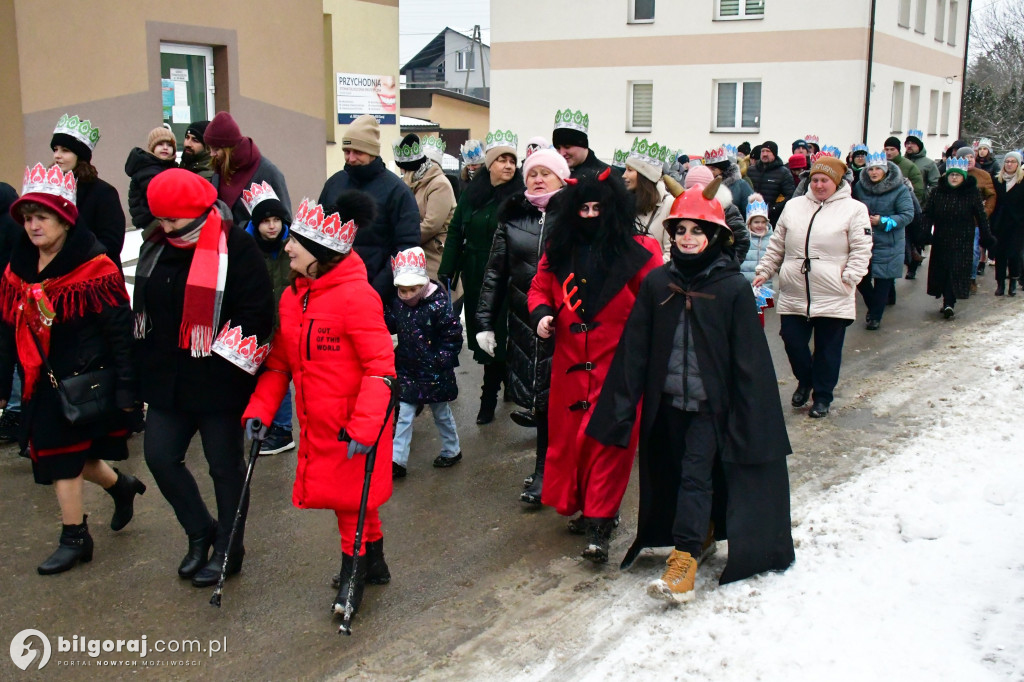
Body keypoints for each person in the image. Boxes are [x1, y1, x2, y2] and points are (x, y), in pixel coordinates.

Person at [586, 177, 794, 603]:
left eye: (698, 230)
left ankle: (683, 561)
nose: (687, 237)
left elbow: (749, 361)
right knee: (674, 474)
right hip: (666, 406)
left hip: (709, 409)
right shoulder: (658, 284)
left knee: (695, 477)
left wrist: (749, 417)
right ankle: (703, 533)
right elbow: (634, 351)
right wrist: (619, 411)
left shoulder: (731, 287)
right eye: (680, 229)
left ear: (716, 235)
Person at [242, 192, 395, 621]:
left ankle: (354, 573)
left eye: (297, 243)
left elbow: (381, 368)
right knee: (353, 499)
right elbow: (279, 364)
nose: (287, 246)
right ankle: (376, 561)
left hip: (353, 423)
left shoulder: (357, 298)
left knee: (350, 502)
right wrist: (261, 409)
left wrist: (366, 427)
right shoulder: (292, 298)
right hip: (317, 422)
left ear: (322, 255)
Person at [0, 163, 141, 574]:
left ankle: (75, 537)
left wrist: (129, 391)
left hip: (79, 378)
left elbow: (120, 332)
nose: (33, 226)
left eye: (42, 217)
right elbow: (7, 328)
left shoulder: (95, 266)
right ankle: (122, 486)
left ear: (64, 218)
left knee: (60, 457)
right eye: (27, 218)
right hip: (36, 378)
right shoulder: (17, 267)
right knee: (62, 454)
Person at [135, 169, 274, 587]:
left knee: (224, 469)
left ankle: (230, 547)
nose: (165, 227)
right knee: (159, 458)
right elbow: (144, 314)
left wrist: (223, 367)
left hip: (218, 382)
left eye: (173, 220)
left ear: (196, 212)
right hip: (167, 383)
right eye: (160, 219)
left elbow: (257, 316)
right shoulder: (157, 245)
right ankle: (200, 532)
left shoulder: (237, 246)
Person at [527, 168, 662, 563]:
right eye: (582, 208)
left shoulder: (641, 249)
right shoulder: (559, 248)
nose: (589, 215)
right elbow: (539, 287)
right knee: (572, 444)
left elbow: (654, 299)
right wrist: (541, 314)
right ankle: (586, 504)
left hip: (618, 365)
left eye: (596, 207)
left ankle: (601, 522)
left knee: (610, 443)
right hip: (569, 366)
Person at [477, 148, 569, 504]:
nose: (538, 179)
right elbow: (495, 272)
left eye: (547, 173)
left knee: (563, 400)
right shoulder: (513, 216)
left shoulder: (577, 215)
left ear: (562, 177)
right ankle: (544, 471)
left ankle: (560, 472)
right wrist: (484, 322)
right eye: (532, 173)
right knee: (540, 400)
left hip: (564, 322)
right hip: (523, 322)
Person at [753, 156, 873, 418]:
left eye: (825, 180)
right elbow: (777, 244)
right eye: (815, 179)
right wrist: (765, 270)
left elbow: (862, 249)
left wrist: (851, 276)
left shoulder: (854, 209)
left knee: (828, 351)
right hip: (795, 289)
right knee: (792, 341)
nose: (819, 185)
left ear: (837, 182)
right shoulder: (795, 206)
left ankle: (822, 396)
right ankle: (805, 380)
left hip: (833, 290)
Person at [438, 131, 524, 425]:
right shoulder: (473, 195)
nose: (509, 165)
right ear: (489, 164)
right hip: (475, 272)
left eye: (512, 160)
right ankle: (503, 380)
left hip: (507, 274)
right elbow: (455, 231)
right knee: (481, 331)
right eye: (502, 159)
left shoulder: (520, 197)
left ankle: (489, 396)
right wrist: (447, 268)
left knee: (499, 331)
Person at [317, 115, 420, 300]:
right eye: (346, 151)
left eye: (358, 152)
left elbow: (406, 245)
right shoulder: (334, 184)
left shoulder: (397, 191)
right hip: (333, 288)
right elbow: (318, 233)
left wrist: (376, 290)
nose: (351, 158)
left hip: (376, 292)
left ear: (372, 152)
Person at [385, 246, 463, 478]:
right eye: (402, 290)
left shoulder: (438, 307)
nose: (407, 295)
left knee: (441, 412)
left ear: (422, 285)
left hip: (434, 372)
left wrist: (441, 361)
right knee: (405, 416)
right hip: (409, 370)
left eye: (412, 290)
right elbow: (393, 322)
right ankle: (397, 460)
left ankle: (452, 449)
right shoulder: (399, 305)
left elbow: (452, 337)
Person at [242, 182, 295, 455]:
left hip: (288, 324)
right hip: (259, 323)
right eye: (265, 221)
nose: (272, 226)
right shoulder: (245, 247)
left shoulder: (292, 246)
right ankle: (263, 422)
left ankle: (283, 429)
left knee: (280, 375)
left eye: (276, 220)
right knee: (262, 377)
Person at [50, 114, 126, 268]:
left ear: (80, 156)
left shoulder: (104, 193)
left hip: (94, 275)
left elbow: (111, 244)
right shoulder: (48, 188)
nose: (57, 155)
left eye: (65, 150)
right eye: (55, 149)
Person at [923, 158, 994, 317]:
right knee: (942, 270)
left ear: (963, 177)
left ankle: (950, 302)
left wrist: (986, 236)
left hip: (963, 238)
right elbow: (928, 214)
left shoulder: (971, 193)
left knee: (956, 270)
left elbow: (981, 216)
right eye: (951, 175)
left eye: (957, 175)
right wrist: (925, 232)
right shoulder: (937, 192)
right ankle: (945, 300)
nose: (954, 178)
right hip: (942, 237)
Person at [852, 152, 914, 330]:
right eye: (871, 169)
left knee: (882, 280)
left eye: (878, 168)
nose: (874, 172)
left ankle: (875, 317)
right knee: (861, 279)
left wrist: (883, 221)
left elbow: (907, 214)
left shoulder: (900, 189)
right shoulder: (860, 187)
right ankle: (874, 305)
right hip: (864, 240)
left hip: (889, 242)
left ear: (885, 170)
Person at [204, 111, 291, 231]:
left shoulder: (268, 172)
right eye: (210, 148)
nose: (212, 154)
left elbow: (285, 219)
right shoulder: (219, 169)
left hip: (255, 247)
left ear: (230, 148)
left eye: (216, 149)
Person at [393, 135, 456, 281]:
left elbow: (431, 225)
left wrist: (401, 238)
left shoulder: (440, 184)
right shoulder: (411, 182)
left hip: (434, 255)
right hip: (413, 256)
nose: (402, 173)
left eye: (403, 169)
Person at [684, 165, 750, 263]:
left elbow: (742, 240)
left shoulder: (726, 208)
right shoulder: (683, 208)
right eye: (690, 189)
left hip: (717, 269)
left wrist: (729, 266)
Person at [622, 138, 673, 257]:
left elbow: (670, 252)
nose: (624, 175)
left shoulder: (668, 204)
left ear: (644, 176)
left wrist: (651, 273)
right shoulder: (625, 201)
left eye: (630, 170)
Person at [0, 183, 23, 443]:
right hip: (11, 294)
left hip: (15, 295)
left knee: (16, 352)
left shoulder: (12, 224)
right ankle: (15, 408)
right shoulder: (15, 221)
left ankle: (15, 409)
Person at [957, 146, 997, 289]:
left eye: (971, 157)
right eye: (965, 158)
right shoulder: (951, 175)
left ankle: (971, 278)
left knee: (973, 251)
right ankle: (957, 278)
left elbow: (991, 195)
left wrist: (984, 212)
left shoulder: (983, 176)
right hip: (955, 221)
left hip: (974, 221)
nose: (969, 160)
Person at [124, 127, 178, 230]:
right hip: (149, 219)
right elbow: (160, 194)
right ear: (152, 147)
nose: (165, 148)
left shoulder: (167, 166)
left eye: (169, 145)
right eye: (160, 144)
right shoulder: (147, 168)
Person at [990, 152, 1023, 296]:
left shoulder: (1022, 181)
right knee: (1000, 254)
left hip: (1018, 224)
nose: (1009, 164)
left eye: (1013, 162)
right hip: (1000, 223)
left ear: (1018, 164)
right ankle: (1000, 284)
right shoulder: (997, 180)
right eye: (1007, 161)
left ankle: (1013, 281)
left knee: (1014, 254)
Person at [746, 141, 795, 225]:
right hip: (751, 217)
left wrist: (773, 209)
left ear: (774, 154)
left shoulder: (783, 173)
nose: (765, 154)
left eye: (768, 151)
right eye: (763, 151)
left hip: (772, 220)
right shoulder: (751, 170)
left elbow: (790, 196)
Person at [552, 109, 609, 179]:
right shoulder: (553, 175)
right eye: (558, 148)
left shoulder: (606, 176)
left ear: (583, 145)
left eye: (567, 147)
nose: (562, 153)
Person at [706, 146, 754, 215]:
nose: (710, 172)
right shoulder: (703, 185)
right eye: (707, 169)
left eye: (713, 169)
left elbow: (751, 213)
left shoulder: (741, 186)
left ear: (723, 170)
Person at [740, 193, 772, 285]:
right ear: (749, 223)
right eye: (756, 222)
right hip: (746, 284)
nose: (760, 225)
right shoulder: (743, 238)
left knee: (768, 300)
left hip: (766, 285)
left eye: (763, 222)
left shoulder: (772, 238)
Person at [883, 136, 925, 204]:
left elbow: (918, 190)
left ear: (898, 150)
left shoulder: (909, 166)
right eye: (886, 149)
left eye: (892, 149)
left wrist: (910, 205)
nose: (889, 152)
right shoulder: (881, 165)